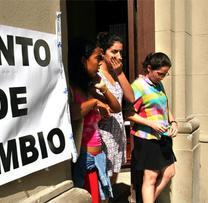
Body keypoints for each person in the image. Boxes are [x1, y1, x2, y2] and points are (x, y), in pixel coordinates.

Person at [68, 38, 121, 203]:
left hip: (98, 156)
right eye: (98, 58)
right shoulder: (70, 88)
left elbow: (116, 107)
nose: (100, 62)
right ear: (84, 60)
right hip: (84, 158)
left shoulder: (88, 89)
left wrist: (104, 89)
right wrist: (94, 103)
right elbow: (73, 113)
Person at [125, 52, 178, 203]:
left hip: (163, 137)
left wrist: (173, 123)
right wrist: (152, 124)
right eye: (160, 73)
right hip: (147, 138)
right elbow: (128, 114)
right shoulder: (138, 86)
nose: (162, 77)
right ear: (149, 68)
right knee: (151, 178)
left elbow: (165, 107)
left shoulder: (158, 84)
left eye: (165, 74)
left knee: (169, 172)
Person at [96, 32, 134, 185]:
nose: (119, 56)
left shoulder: (115, 72)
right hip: (104, 132)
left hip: (118, 132)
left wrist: (120, 73)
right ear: (102, 52)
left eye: (120, 52)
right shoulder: (97, 73)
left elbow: (131, 98)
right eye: (114, 51)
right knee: (103, 181)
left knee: (113, 178)